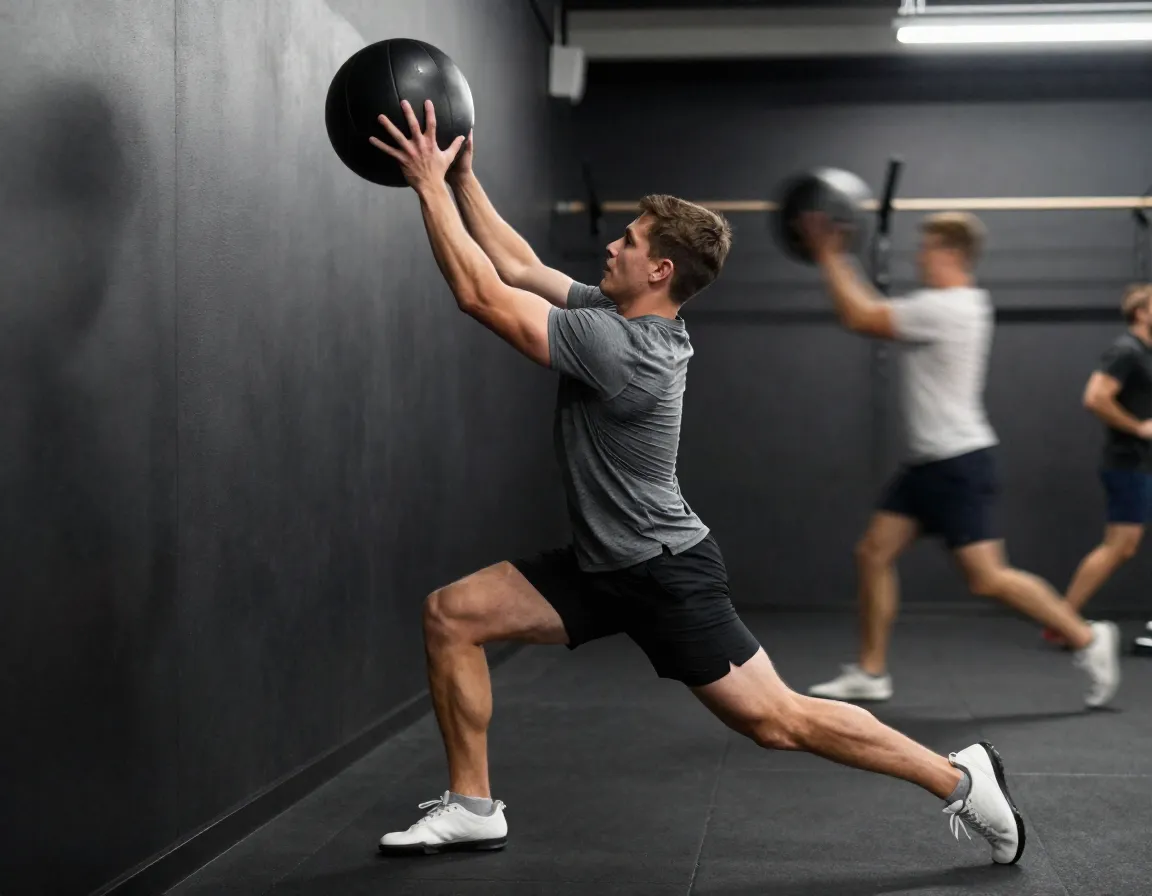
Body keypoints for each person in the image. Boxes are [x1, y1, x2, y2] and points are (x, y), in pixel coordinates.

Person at [367, 100, 1025, 865]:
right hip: (601, 563)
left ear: (661, 269)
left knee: (777, 722)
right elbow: (516, 265)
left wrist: (426, 186)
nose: (611, 246)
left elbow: (481, 295)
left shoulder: (622, 348)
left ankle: (959, 779)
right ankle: (474, 806)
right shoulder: (614, 316)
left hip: (661, 572)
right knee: (454, 616)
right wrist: (465, 181)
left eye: (630, 240)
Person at [799, 211, 1121, 707]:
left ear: (951, 253)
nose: (918, 256)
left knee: (987, 578)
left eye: (926, 248)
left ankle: (1087, 637)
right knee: (874, 552)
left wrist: (830, 254)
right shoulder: (960, 304)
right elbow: (871, 307)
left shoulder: (949, 308)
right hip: (929, 463)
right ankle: (871, 671)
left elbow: (861, 316)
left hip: (957, 462)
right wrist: (840, 261)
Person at [1048, 284, 1152, 650]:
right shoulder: (1126, 351)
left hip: (1143, 464)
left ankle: (1060, 619)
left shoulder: (1144, 353)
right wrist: (1140, 427)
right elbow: (1095, 397)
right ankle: (1060, 619)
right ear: (1141, 312)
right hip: (1128, 464)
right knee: (1119, 546)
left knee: (1122, 545)